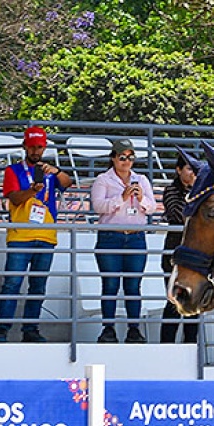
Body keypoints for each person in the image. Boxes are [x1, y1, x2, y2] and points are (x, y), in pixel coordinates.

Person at [0, 127, 73, 342]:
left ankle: (30, 329)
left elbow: (68, 183)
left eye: (39, 147)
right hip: (20, 236)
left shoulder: (49, 171)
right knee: (12, 284)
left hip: (46, 236)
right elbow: (15, 199)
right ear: (24, 146)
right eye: (32, 146)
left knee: (38, 285)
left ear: (44, 147)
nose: (35, 151)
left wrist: (55, 172)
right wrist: (32, 190)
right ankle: (2, 329)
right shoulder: (13, 170)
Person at [90, 138, 157, 343]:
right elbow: (98, 206)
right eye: (122, 157)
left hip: (136, 237)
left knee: (133, 285)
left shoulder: (142, 180)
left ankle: (134, 329)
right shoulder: (103, 180)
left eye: (130, 157)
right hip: (111, 236)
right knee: (110, 284)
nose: (126, 161)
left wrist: (140, 199)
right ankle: (108, 328)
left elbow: (153, 207)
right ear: (113, 158)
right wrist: (121, 197)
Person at [160, 153, 199, 343]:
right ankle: (167, 346)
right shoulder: (171, 190)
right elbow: (177, 214)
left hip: (196, 252)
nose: (193, 174)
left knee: (195, 299)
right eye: (190, 169)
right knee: (173, 301)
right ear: (179, 170)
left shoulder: (202, 191)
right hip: (174, 252)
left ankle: (191, 346)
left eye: (196, 170)